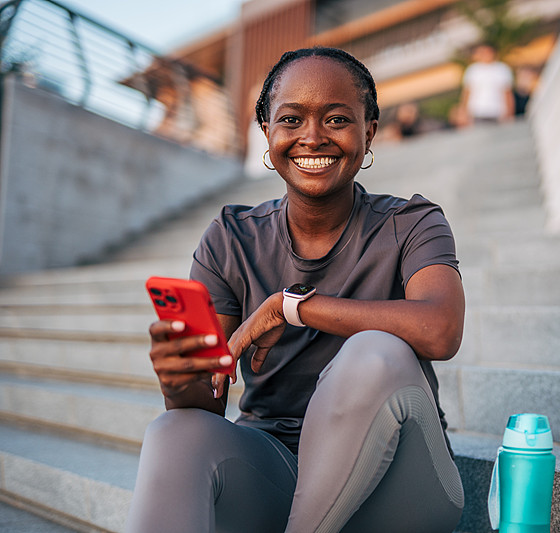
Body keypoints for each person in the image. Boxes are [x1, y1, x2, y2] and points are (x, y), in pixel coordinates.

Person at [126, 46, 466, 533]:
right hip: (281, 473)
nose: (312, 137)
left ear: (368, 132)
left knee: (374, 353)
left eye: (336, 119)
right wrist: (178, 381)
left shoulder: (411, 223)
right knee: (173, 431)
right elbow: (208, 402)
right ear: (266, 132)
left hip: (401, 491)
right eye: (291, 119)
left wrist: (291, 308)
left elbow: (440, 330)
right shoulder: (232, 238)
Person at [459, 43, 514, 125]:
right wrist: (464, 112)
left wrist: (509, 112)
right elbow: (467, 92)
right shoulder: (472, 70)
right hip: (477, 112)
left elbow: (507, 92)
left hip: (497, 112)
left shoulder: (502, 69)